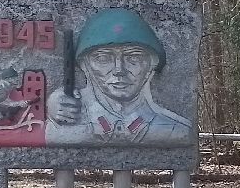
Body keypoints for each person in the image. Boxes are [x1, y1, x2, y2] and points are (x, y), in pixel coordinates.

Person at [47, 8, 190, 144]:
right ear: (85, 65)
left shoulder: (175, 130)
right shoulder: (61, 125)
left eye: (133, 58)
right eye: (103, 59)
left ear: (152, 64)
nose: (119, 70)